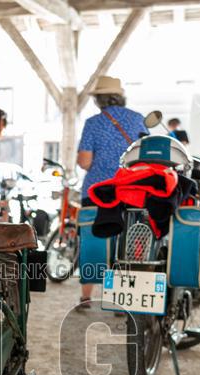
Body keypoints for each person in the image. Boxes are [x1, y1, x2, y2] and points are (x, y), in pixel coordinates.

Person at [75, 75, 148, 310]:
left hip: (99, 190)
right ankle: (121, 298)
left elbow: (85, 162)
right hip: (132, 189)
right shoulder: (138, 119)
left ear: (99, 100)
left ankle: (86, 296)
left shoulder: (93, 123)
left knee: (94, 239)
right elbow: (145, 156)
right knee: (128, 241)